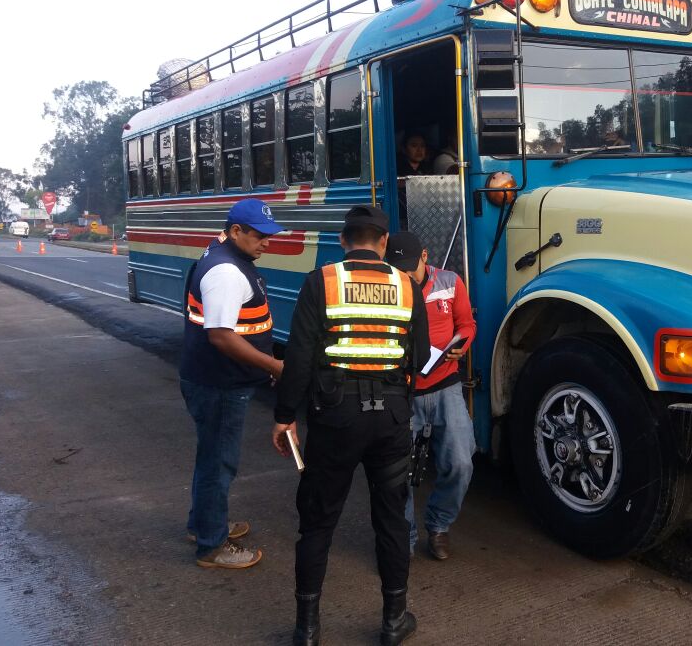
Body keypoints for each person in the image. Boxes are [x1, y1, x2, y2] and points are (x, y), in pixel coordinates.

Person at [273, 205, 429, 646]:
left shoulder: (321, 281)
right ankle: (394, 621)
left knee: (318, 522)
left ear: (344, 240)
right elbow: (418, 357)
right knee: (392, 521)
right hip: (392, 420)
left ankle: (307, 629)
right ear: (383, 243)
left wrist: (284, 417)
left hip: (335, 418)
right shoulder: (406, 285)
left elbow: (299, 359)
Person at [180, 198, 285, 570]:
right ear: (236, 231)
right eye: (260, 236)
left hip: (214, 379)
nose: (267, 243)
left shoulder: (226, 255)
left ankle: (204, 524)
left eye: (270, 236)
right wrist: (274, 365)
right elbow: (221, 337)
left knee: (211, 457)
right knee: (218, 463)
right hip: (219, 383)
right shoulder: (226, 272)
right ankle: (211, 545)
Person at [385, 231, 476, 561]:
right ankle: (405, 535)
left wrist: (462, 344)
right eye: (397, 269)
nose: (404, 275)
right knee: (398, 472)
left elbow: (466, 325)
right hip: (402, 392)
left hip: (444, 385)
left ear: (425, 256)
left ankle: (439, 526)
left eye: (409, 267)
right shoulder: (389, 287)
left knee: (461, 462)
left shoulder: (450, 282)